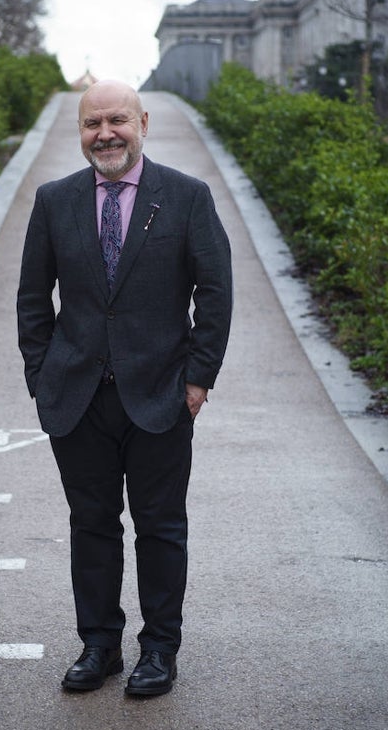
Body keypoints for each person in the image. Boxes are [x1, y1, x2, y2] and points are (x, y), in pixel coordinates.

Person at [16, 80, 233, 697]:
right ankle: (99, 645)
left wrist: (197, 380)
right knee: (91, 525)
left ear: (142, 121)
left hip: (162, 394)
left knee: (160, 527)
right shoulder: (54, 201)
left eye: (116, 120)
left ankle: (159, 650)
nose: (104, 133)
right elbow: (33, 300)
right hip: (77, 396)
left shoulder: (187, 198)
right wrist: (42, 376)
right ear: (79, 132)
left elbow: (215, 294)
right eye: (92, 123)